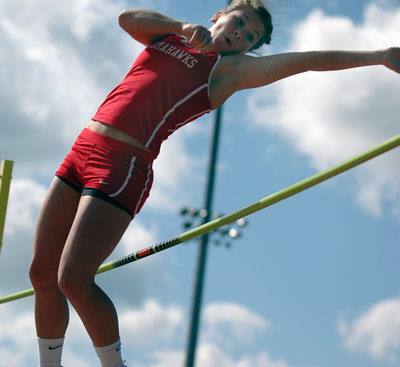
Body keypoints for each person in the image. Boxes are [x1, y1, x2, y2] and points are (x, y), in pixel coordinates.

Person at [28, 0, 400, 366]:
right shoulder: (167, 37)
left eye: (250, 36)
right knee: (41, 274)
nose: (241, 34)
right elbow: (126, 18)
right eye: (239, 22)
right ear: (219, 16)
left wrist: (378, 55)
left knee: (74, 279)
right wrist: (181, 27)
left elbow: (305, 61)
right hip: (82, 148)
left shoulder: (229, 70)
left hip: (123, 165)